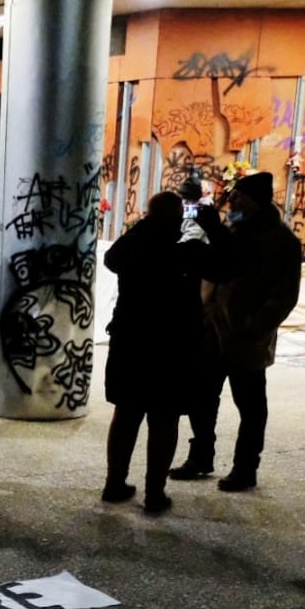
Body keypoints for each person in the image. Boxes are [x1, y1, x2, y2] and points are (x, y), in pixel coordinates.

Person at [171, 171, 301, 492]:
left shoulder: (281, 240)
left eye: (238, 196)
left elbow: (284, 294)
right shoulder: (230, 228)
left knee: (251, 405)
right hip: (210, 330)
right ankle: (201, 456)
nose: (231, 202)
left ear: (256, 200)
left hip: (246, 337)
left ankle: (245, 468)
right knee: (202, 398)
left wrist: (254, 327)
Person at [102, 191, 229, 514]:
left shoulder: (133, 247)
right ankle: (154, 494)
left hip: (131, 343)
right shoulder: (189, 252)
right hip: (174, 347)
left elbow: (112, 259)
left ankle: (115, 483)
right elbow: (227, 267)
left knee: (126, 415)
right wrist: (214, 227)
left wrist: (147, 224)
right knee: (164, 419)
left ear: (148, 214)